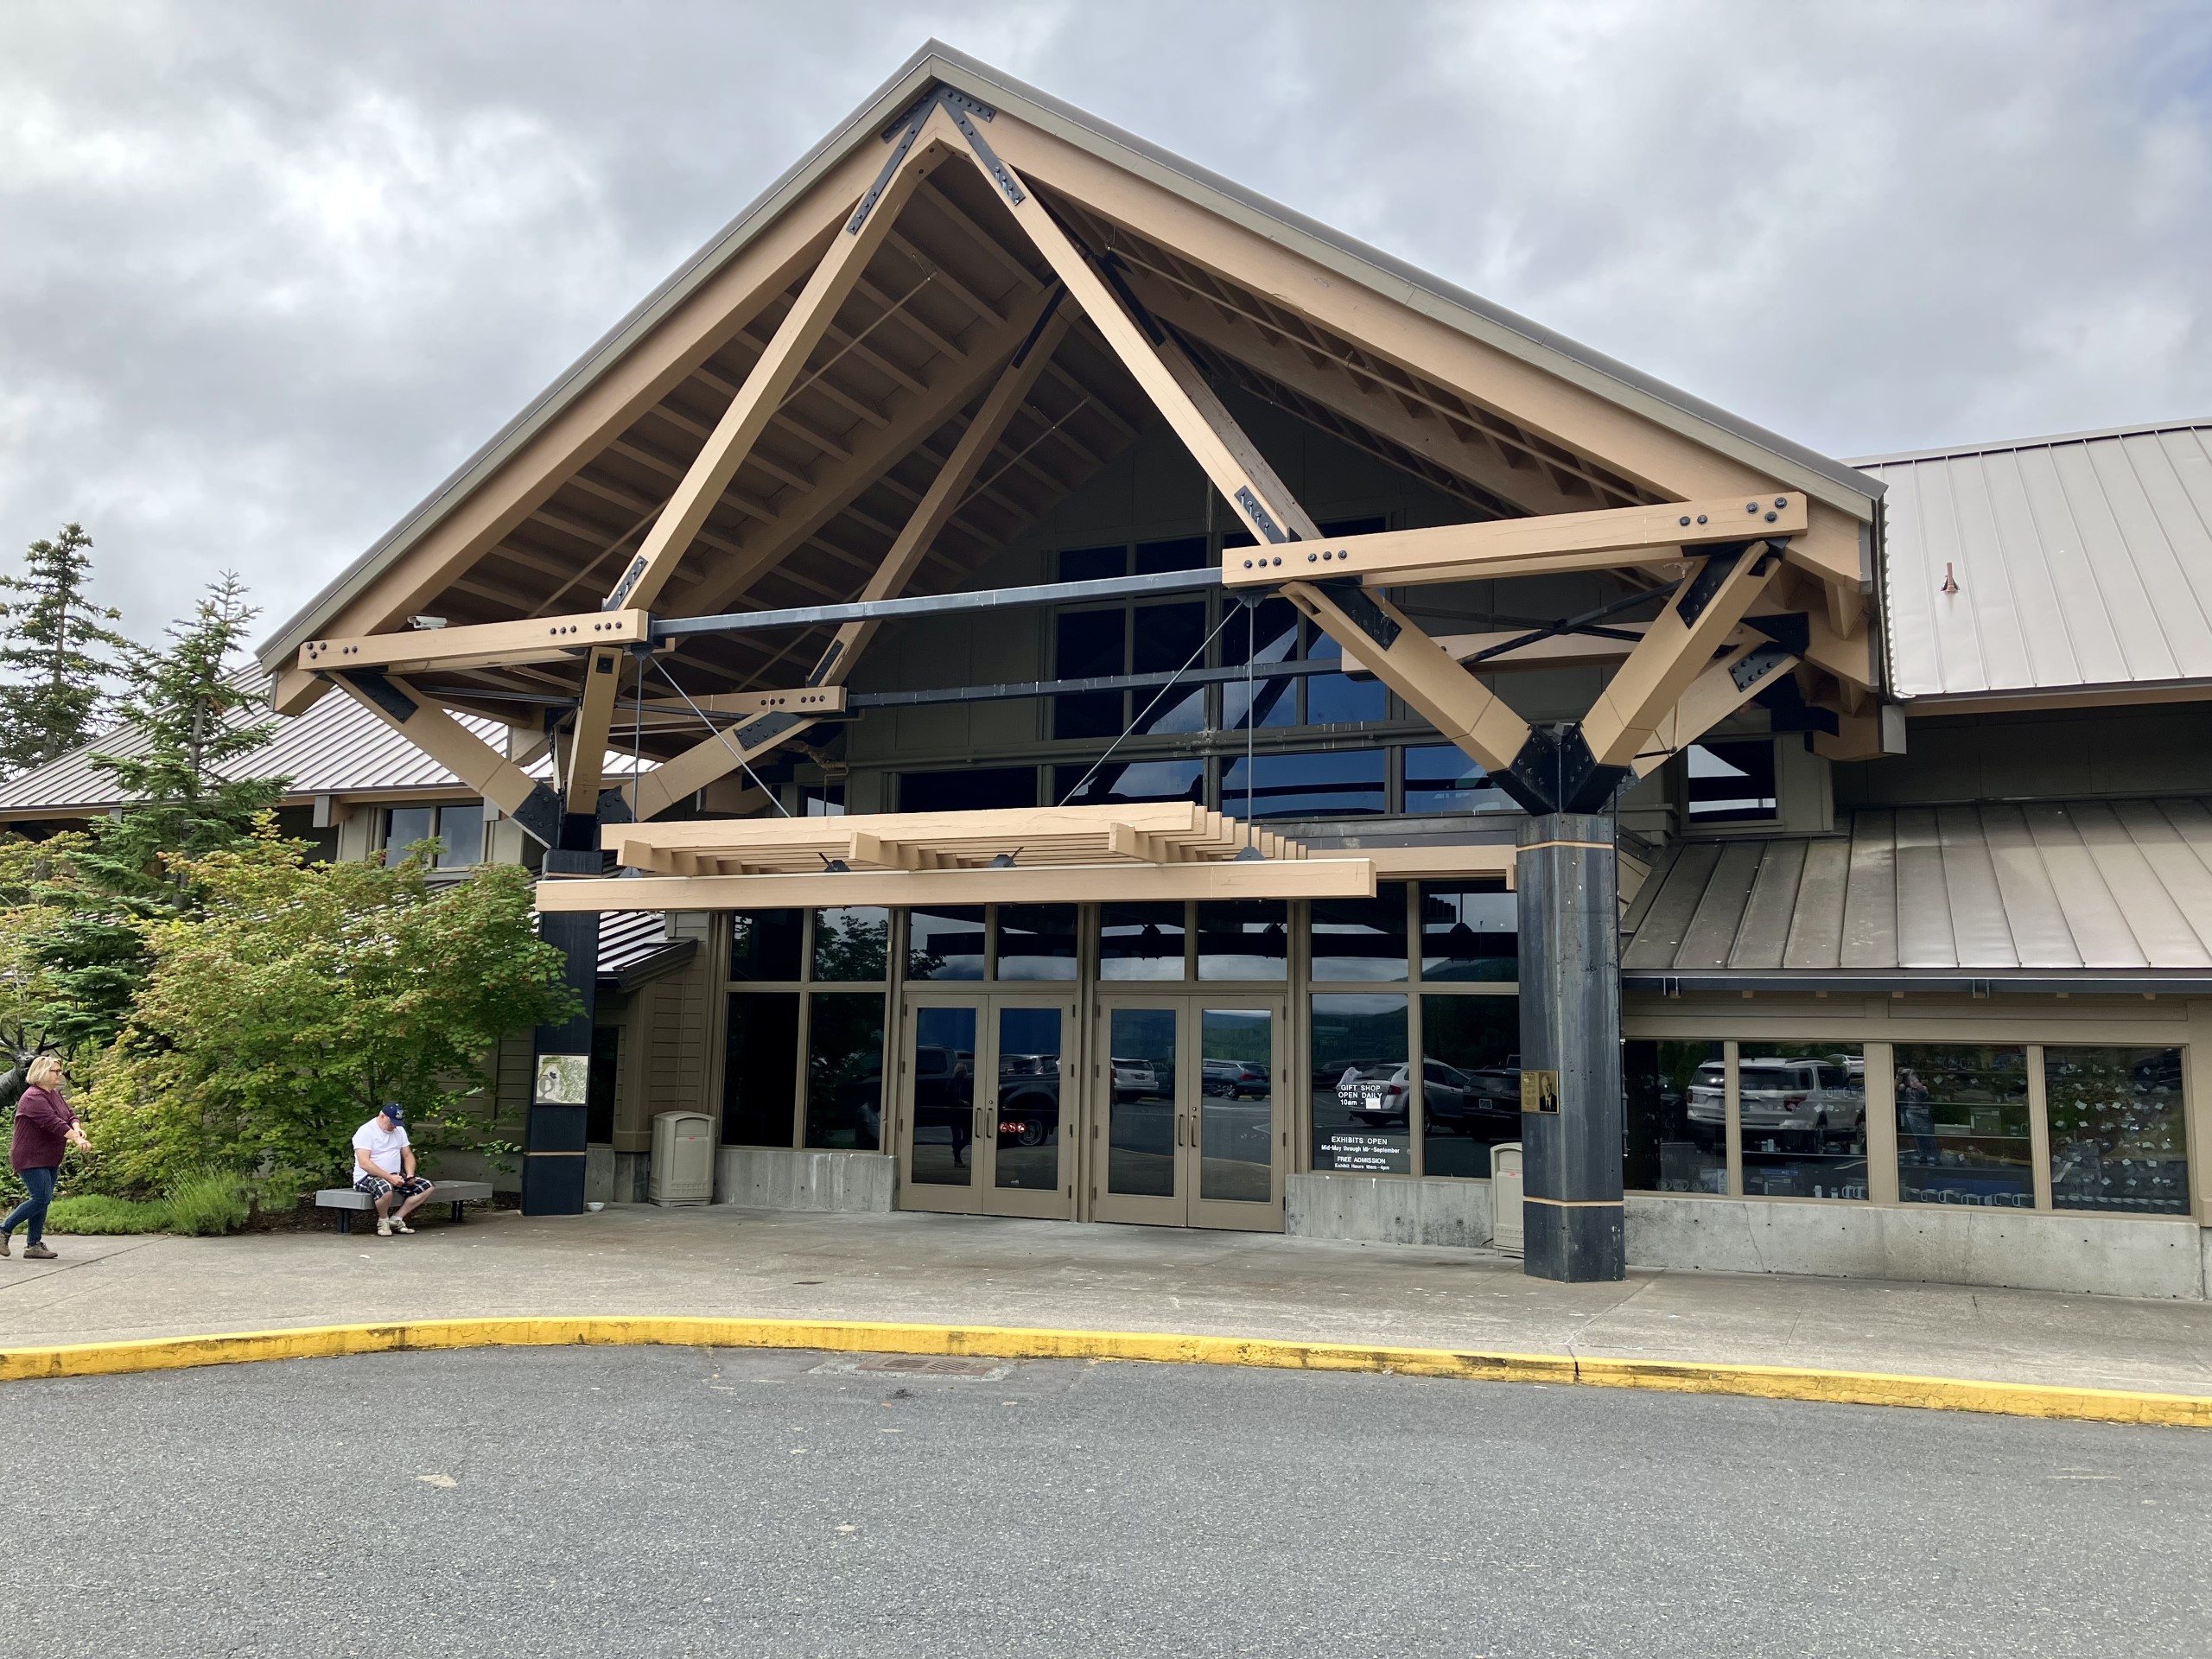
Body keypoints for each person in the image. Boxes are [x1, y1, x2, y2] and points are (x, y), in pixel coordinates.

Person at [3, 1055, 90, 1261]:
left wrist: (77, 1128)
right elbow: (54, 1123)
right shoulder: (33, 1097)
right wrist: (77, 1139)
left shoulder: (54, 1094)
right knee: (41, 1198)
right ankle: (3, 1229)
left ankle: (34, 1245)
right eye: (55, 1071)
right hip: (30, 1156)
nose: (59, 1075)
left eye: (60, 1071)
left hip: (49, 1155)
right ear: (42, 1072)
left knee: (43, 1200)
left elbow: (70, 1116)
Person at [350, 1103, 434, 1237]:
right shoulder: (366, 1131)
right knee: (386, 1189)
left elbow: (408, 1155)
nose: (394, 1126)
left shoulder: (399, 1130)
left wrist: (410, 1175)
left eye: (397, 1123)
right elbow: (364, 1163)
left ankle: (396, 1219)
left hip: (394, 1175)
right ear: (382, 1116)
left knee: (426, 1186)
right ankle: (383, 1220)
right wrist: (389, 1178)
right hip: (367, 1176)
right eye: (392, 1122)